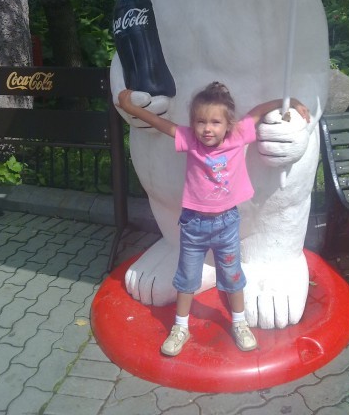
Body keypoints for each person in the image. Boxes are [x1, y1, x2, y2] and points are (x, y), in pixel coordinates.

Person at [118, 82, 310, 356]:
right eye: (200, 121)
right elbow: (161, 125)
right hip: (193, 226)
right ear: (193, 124)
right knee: (187, 279)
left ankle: (239, 323)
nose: (207, 128)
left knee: (233, 276)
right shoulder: (190, 140)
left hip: (227, 225)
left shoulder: (238, 135)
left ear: (228, 124)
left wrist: (289, 101)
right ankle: (180, 327)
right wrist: (131, 107)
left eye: (215, 122)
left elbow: (257, 112)